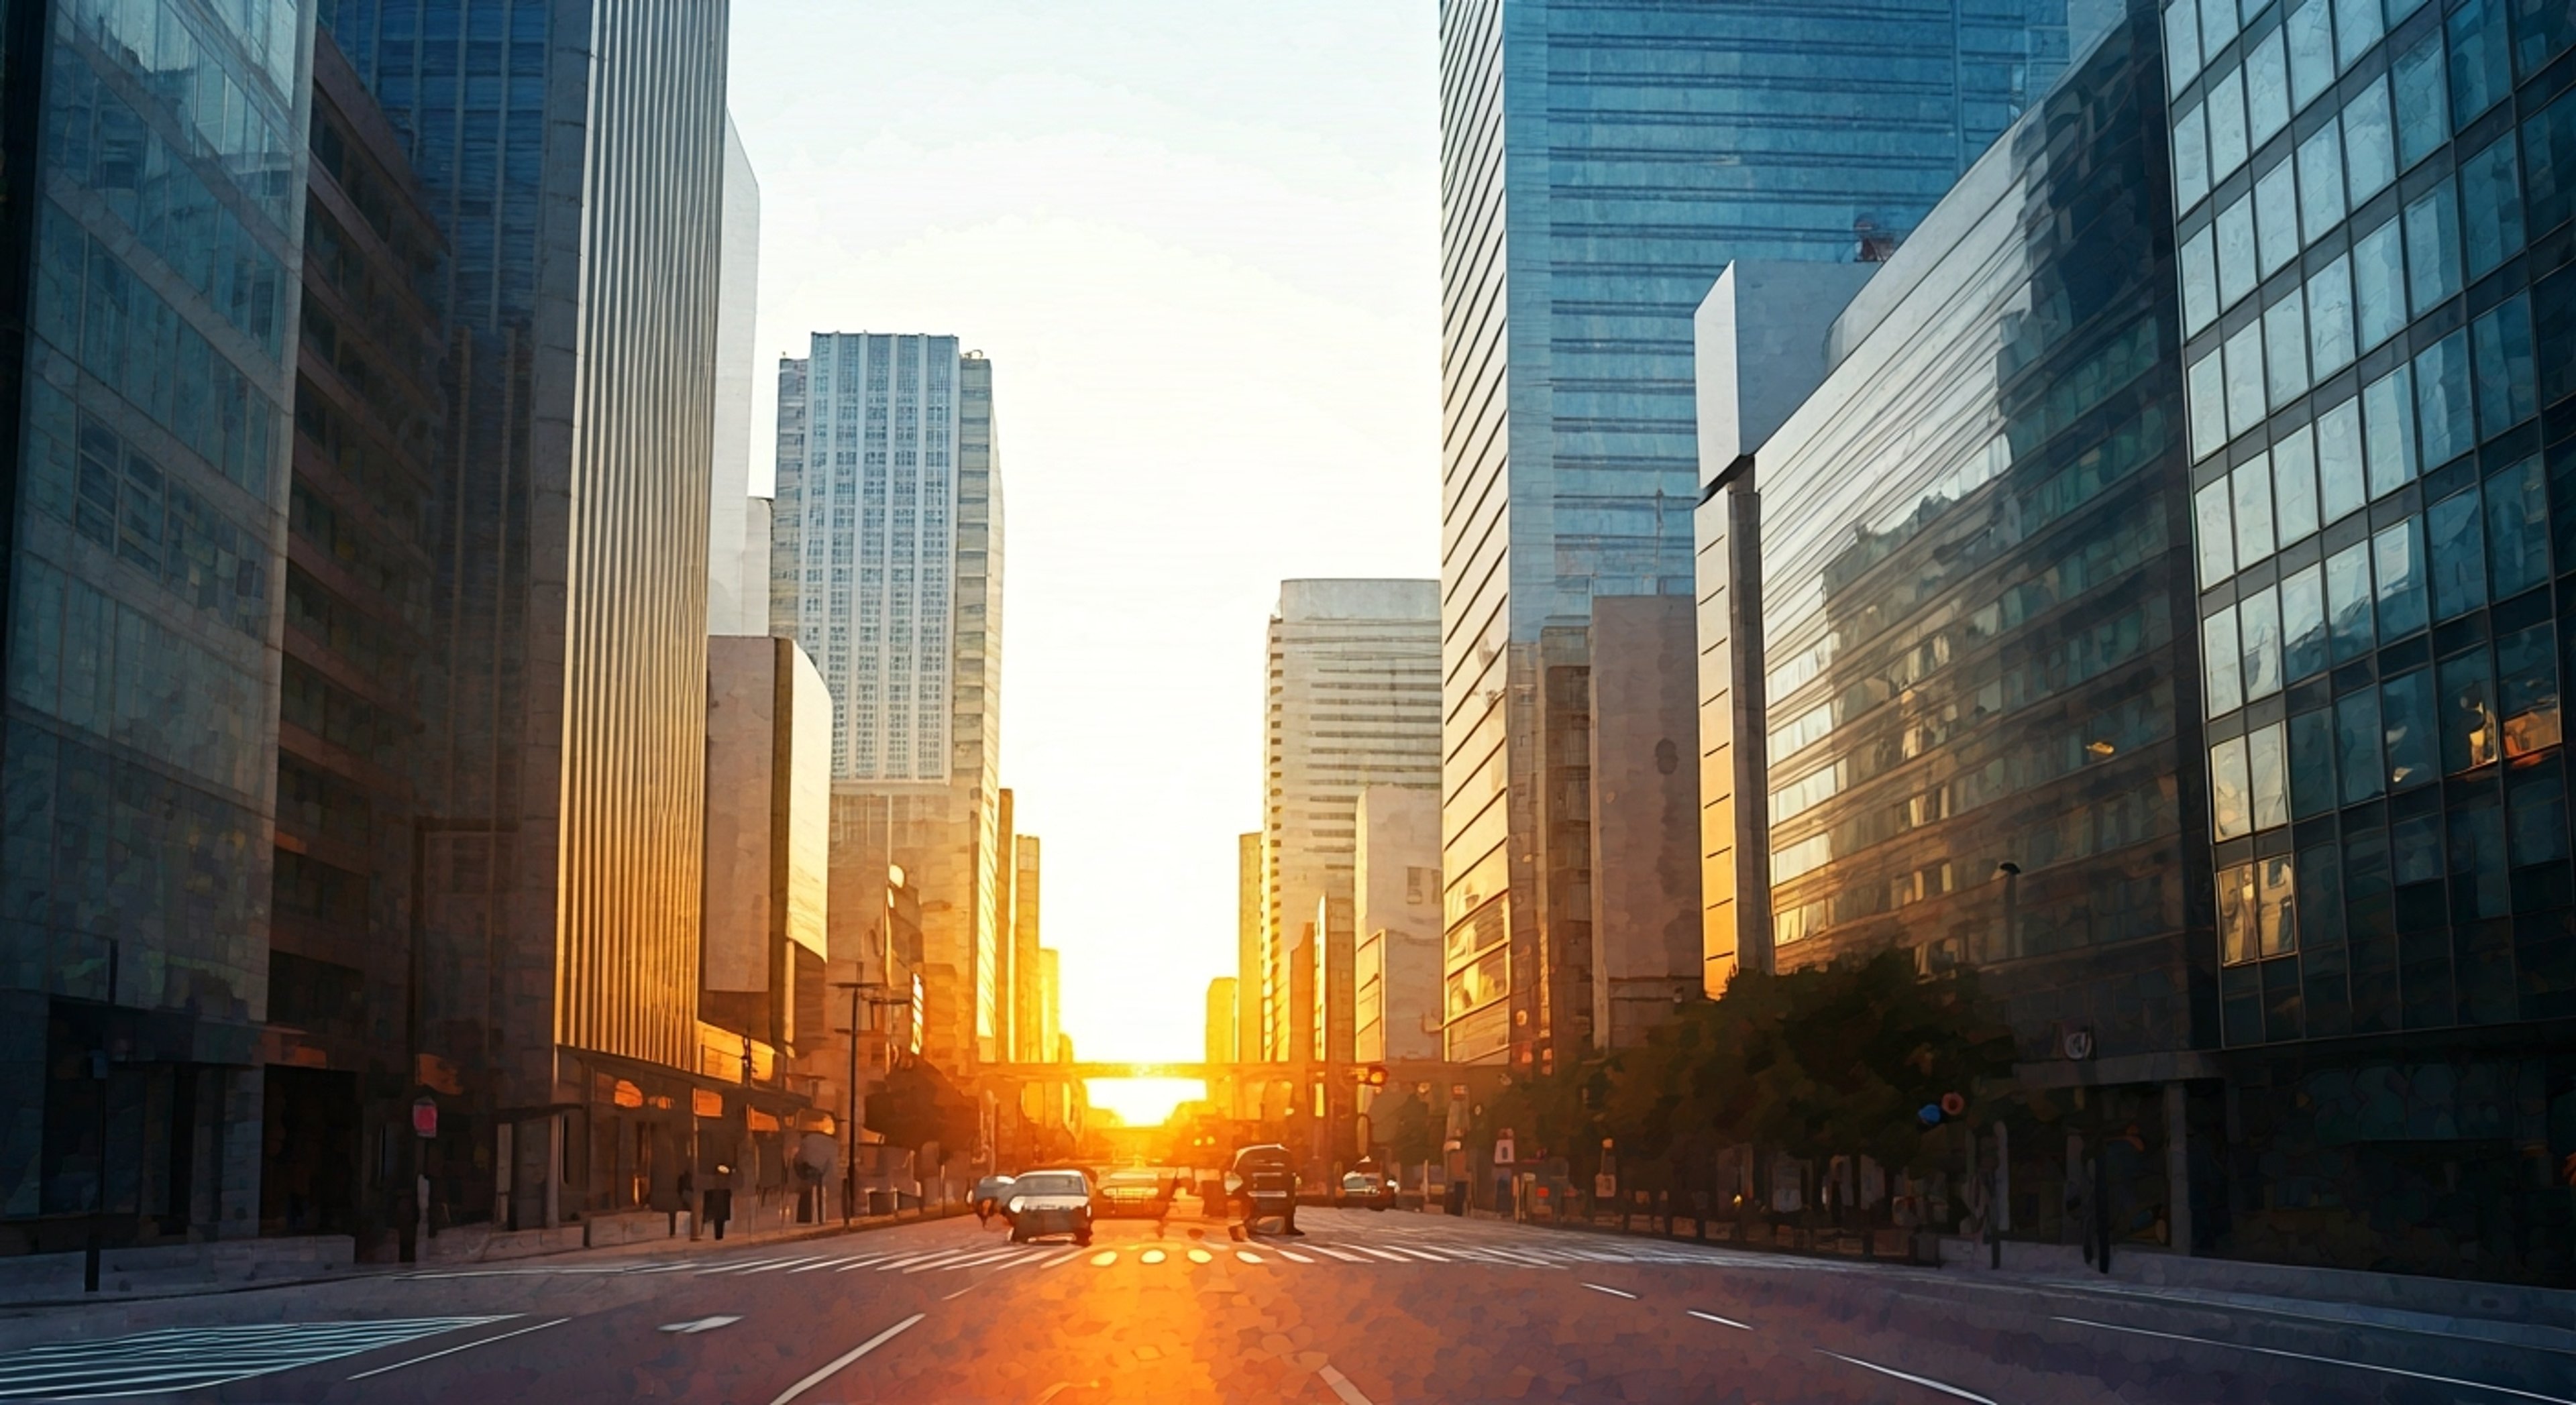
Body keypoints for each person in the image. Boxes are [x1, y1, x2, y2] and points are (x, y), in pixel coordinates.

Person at [704, 1165, 735, 1242]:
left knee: (719, 1219)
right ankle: (719, 1235)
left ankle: (718, 1235)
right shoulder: (724, 1183)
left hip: (718, 1200)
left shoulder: (717, 1182)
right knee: (720, 1219)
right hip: (720, 1200)